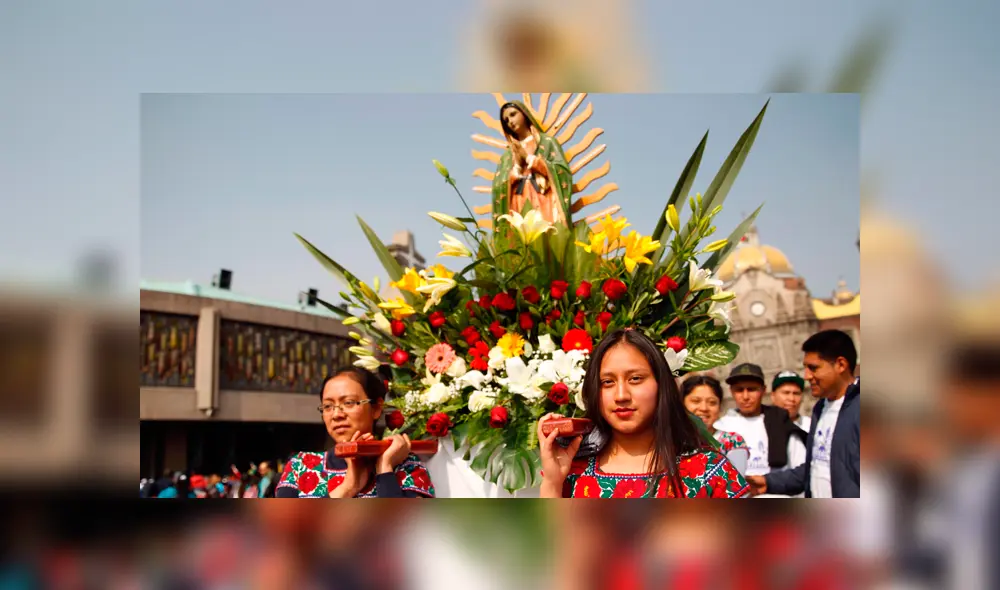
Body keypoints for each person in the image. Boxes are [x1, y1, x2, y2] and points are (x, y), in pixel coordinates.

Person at [537, 328, 748, 498]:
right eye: (607, 382)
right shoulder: (574, 473)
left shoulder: (708, 470)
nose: (621, 395)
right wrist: (553, 483)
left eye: (635, 379)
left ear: (661, 384)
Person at [276, 366, 434, 498]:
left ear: (376, 408)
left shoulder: (406, 466)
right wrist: (349, 487)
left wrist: (384, 469)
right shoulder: (301, 466)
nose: (337, 414)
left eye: (349, 402)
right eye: (328, 406)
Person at [747, 330, 861, 498]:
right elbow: (814, 468)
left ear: (841, 365)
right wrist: (768, 482)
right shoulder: (821, 408)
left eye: (813, 368)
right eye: (805, 368)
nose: (807, 376)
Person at [713, 363, 807, 484]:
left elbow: (800, 467)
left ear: (763, 390)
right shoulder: (721, 427)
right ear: (731, 392)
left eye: (751, 389)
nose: (745, 396)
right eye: (739, 390)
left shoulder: (780, 421)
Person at [492, 101, 574, 226]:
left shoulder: (547, 143)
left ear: (524, 114)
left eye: (513, 114)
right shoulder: (508, 155)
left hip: (544, 197)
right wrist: (516, 170)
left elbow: (562, 171)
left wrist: (533, 160)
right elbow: (498, 185)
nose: (510, 122)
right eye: (506, 120)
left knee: (546, 231)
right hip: (519, 200)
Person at [681, 375, 750, 474]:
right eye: (696, 401)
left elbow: (736, 484)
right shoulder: (668, 443)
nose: (704, 408)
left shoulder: (732, 442)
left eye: (712, 402)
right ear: (681, 405)